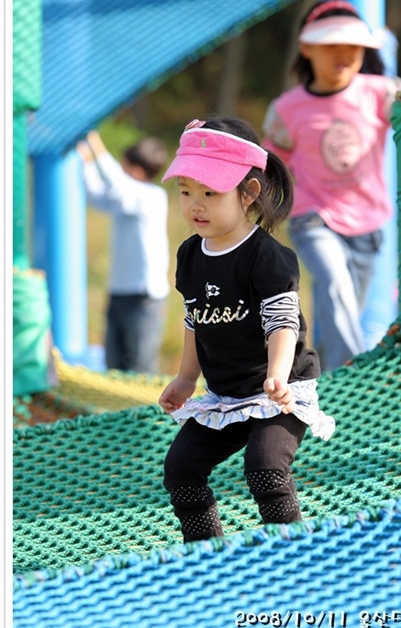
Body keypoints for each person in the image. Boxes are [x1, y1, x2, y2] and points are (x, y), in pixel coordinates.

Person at [159, 116, 335, 544]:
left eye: (210, 193)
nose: (195, 205)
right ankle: (205, 552)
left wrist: (277, 375)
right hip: (226, 395)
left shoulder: (267, 256)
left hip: (279, 391)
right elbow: (195, 318)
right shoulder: (190, 254)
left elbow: (282, 323)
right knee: (180, 469)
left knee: (264, 466)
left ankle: (289, 553)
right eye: (185, 191)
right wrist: (185, 377)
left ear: (249, 192)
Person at [262, 0, 401, 370]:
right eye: (332, 45)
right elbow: (269, 166)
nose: (344, 54)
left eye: (353, 46)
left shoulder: (381, 92)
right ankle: (360, 375)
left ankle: (327, 382)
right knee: (335, 285)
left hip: (368, 225)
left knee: (340, 309)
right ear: (307, 48)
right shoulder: (287, 109)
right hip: (313, 217)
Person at [77, 131, 170, 374]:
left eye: (123, 165)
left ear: (136, 171)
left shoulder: (151, 197)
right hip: (119, 291)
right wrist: (88, 163)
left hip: (144, 297)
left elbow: (117, 183)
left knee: (141, 365)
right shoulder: (126, 197)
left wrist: (98, 148)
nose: (119, 169)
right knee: (114, 363)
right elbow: (97, 196)